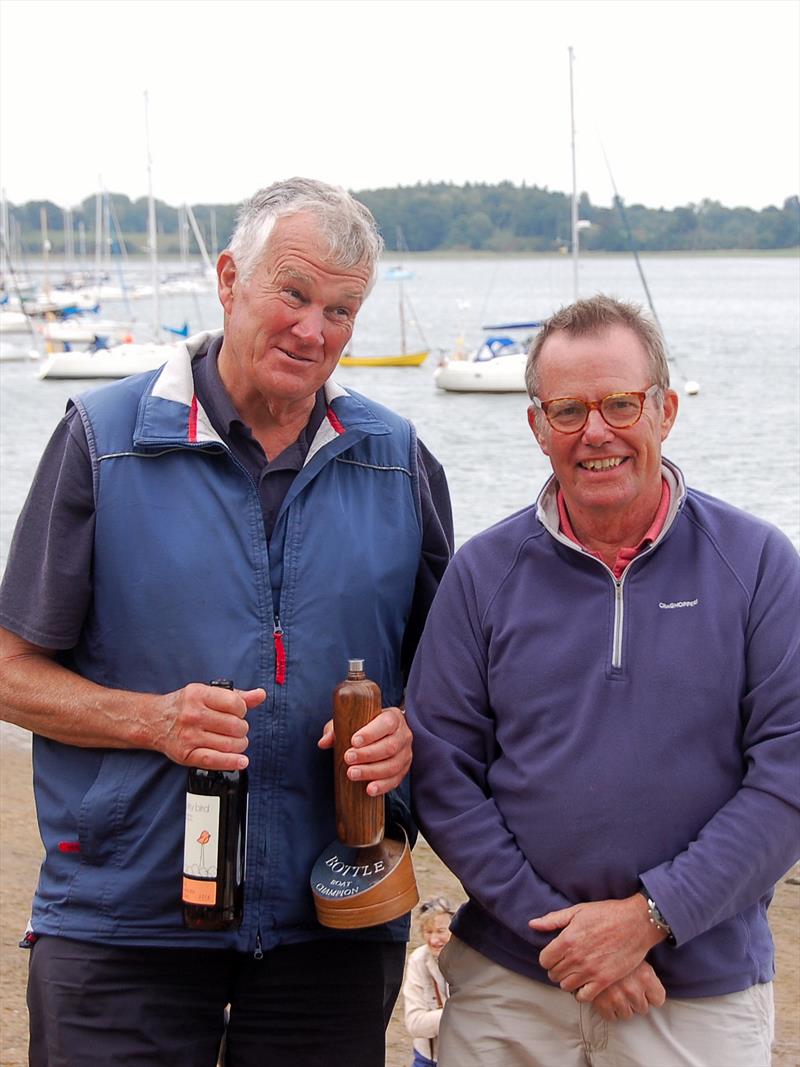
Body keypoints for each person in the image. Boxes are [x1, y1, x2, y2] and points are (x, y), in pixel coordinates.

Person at [0, 177, 453, 1067]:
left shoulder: (398, 462)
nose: (313, 330)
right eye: (292, 293)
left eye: (341, 310)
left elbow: (458, 685)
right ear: (227, 277)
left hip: (335, 920)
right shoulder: (104, 437)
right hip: (122, 921)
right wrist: (153, 720)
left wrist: (412, 735)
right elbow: (11, 668)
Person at [405, 294, 799, 1067]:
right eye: (569, 409)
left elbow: (788, 776)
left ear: (665, 410)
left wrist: (651, 917)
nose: (596, 432)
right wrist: (561, 935)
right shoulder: (483, 573)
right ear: (536, 426)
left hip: (698, 992)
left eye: (620, 403)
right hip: (511, 980)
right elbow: (442, 772)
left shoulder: (758, 565)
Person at [402, 897, 454, 1066]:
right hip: (427, 1057)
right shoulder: (417, 960)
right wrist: (457, 1012)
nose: (433, 940)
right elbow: (414, 1024)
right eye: (428, 931)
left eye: (440, 931)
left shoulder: (471, 960)